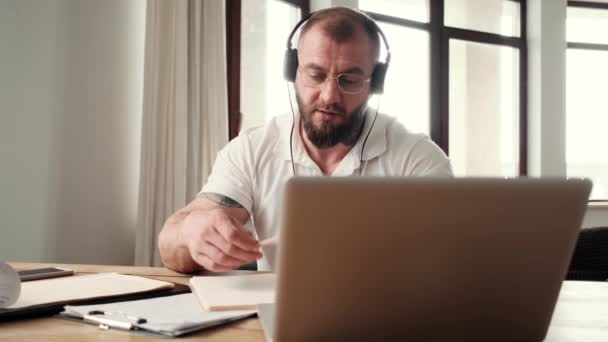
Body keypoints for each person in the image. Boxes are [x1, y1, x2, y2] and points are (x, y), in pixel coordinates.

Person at [158, 7, 453, 273]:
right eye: (315, 74)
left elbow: (452, 263)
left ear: (374, 83)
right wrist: (191, 232)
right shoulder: (251, 149)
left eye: (349, 80)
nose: (329, 96)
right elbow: (171, 249)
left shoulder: (418, 159)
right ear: (293, 71)